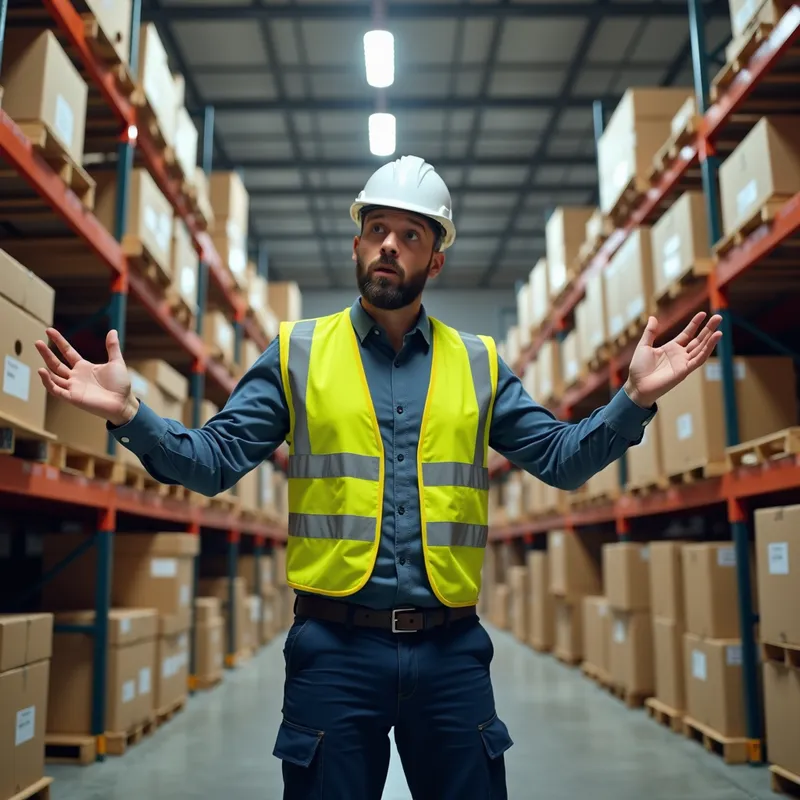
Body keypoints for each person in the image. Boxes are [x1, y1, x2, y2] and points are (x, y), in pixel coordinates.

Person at [36, 155, 722, 800]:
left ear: (436, 259)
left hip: (451, 652)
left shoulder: (480, 363)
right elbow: (213, 462)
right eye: (378, 230)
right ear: (357, 245)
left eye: (411, 234)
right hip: (333, 652)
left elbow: (563, 460)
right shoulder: (296, 352)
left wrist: (632, 401)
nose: (390, 244)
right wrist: (129, 413)